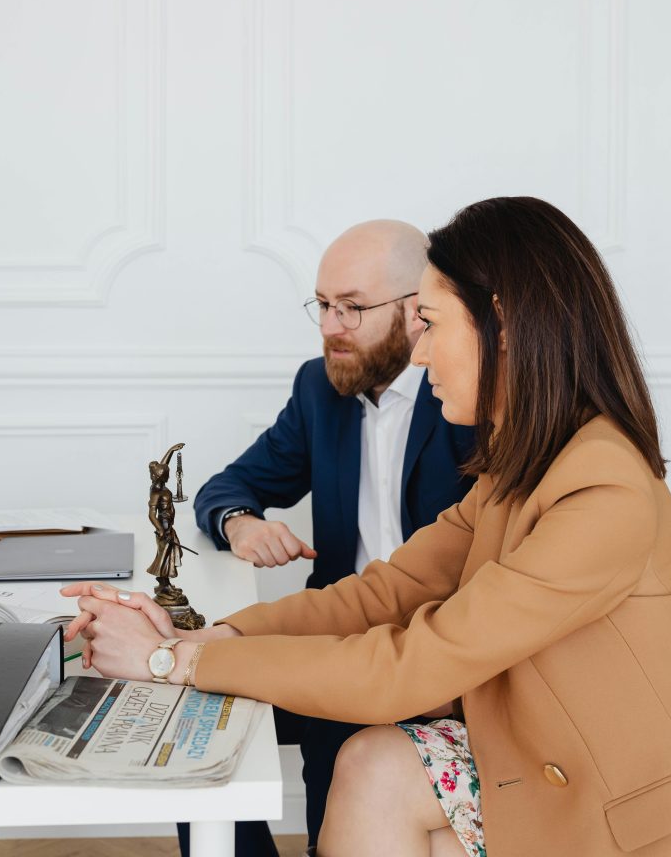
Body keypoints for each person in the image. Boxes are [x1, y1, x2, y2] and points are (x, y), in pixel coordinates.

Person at [63, 196, 671, 857]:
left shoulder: (599, 490)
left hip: (596, 792)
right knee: (369, 764)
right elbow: (387, 592)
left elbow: (416, 666)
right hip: (521, 736)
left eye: (432, 325)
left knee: (369, 766)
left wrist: (172, 660)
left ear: (498, 324)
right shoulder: (522, 463)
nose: (420, 355)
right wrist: (214, 635)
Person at [193, 219, 476, 853]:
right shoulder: (320, 389)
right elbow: (225, 487)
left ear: (417, 312)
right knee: (195, 729)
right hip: (339, 633)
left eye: (352, 307)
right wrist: (241, 524)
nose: (329, 327)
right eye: (322, 305)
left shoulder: (466, 397)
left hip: (434, 658)